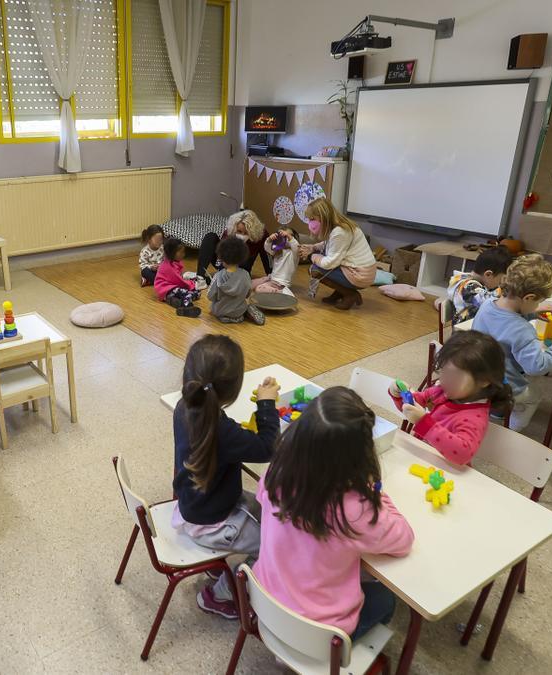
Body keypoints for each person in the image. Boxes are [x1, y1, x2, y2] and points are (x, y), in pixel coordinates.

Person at [253, 387, 414, 639]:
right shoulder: (356, 509)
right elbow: (404, 540)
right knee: (385, 599)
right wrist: (377, 494)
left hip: (266, 601)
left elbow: (261, 500)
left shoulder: (276, 472)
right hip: (320, 633)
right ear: (360, 456)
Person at [173, 335, 280, 618]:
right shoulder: (223, 432)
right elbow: (269, 447)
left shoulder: (184, 408)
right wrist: (267, 406)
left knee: (265, 512)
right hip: (209, 520)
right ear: (233, 389)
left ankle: (216, 560)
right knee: (276, 542)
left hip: (191, 506)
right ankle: (219, 594)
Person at [471, 254, 552, 431]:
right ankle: (513, 431)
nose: (539, 305)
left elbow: (504, 320)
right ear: (529, 298)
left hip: (475, 376)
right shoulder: (523, 330)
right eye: (539, 301)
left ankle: (495, 408)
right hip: (503, 388)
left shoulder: (487, 305)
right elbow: (536, 367)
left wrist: (532, 312)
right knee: (535, 395)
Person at [391, 330, 512, 465]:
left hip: (445, 472)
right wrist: (399, 395)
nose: (444, 380)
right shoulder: (442, 390)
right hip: (422, 457)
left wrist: (423, 421)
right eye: (443, 371)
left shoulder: (474, 417)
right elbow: (412, 405)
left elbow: (462, 454)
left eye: (455, 376)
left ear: (484, 380)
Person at [299, 198, 377, 310]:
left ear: (323, 216)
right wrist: (313, 247)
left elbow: (329, 263)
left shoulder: (339, 232)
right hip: (362, 270)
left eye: (313, 219)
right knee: (322, 261)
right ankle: (340, 293)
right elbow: (330, 244)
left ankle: (350, 295)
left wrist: (311, 256)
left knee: (315, 270)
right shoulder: (339, 226)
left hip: (360, 274)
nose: (311, 223)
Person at [196, 209, 271, 281]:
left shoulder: (261, 234)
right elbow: (221, 253)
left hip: (243, 266)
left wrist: (270, 275)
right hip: (225, 262)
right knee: (210, 236)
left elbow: (266, 256)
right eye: (239, 231)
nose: (242, 235)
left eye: (246, 233)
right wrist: (221, 268)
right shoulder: (230, 231)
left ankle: (219, 279)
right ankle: (200, 278)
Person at [447, 246, 513, 324]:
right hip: (465, 331)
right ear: (488, 274)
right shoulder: (467, 286)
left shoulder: (478, 283)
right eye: (501, 280)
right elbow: (487, 302)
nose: (500, 284)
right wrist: (504, 289)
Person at [208, 236, 266, 325]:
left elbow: (210, 296)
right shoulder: (245, 275)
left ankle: (226, 317)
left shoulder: (218, 276)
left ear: (221, 257)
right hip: (239, 310)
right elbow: (247, 294)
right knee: (243, 305)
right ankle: (241, 315)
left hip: (220, 311)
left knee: (212, 306)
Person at [154, 237, 203, 318]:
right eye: (181, 252)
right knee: (188, 293)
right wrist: (192, 284)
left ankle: (174, 301)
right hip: (166, 289)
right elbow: (179, 281)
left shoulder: (176, 262)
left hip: (172, 288)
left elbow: (179, 279)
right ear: (172, 253)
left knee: (197, 293)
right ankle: (186, 307)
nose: (183, 254)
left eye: (183, 252)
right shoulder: (168, 266)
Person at [250, 227, 299, 296]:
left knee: (259, 289)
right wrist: (269, 239)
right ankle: (268, 284)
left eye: (286, 236)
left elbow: (295, 246)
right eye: (281, 236)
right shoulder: (277, 250)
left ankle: (283, 292)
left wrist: (288, 235)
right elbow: (267, 248)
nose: (284, 238)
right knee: (250, 284)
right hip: (272, 278)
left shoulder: (293, 254)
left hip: (280, 283)